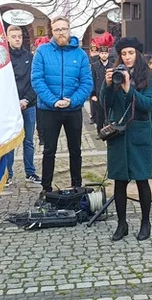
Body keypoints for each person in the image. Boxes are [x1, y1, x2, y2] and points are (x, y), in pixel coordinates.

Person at [100, 36, 152, 242]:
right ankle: (121, 223)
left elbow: (149, 104)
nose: (127, 57)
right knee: (120, 181)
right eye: (123, 54)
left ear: (138, 54)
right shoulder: (115, 74)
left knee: (142, 180)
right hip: (118, 135)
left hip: (139, 134)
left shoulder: (149, 77)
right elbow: (104, 103)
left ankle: (145, 222)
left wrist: (128, 88)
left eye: (131, 53)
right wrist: (107, 85)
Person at [31, 15, 93, 194]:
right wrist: (53, 100)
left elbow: (86, 83)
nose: (60, 33)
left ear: (69, 30)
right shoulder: (42, 52)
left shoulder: (80, 54)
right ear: (52, 31)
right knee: (49, 150)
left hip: (73, 109)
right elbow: (37, 80)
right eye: (57, 29)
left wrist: (72, 100)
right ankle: (46, 188)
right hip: (49, 110)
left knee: (76, 149)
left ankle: (76, 185)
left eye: (63, 29)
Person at [6, 24, 40, 184]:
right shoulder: (4, 59)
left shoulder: (30, 57)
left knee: (28, 141)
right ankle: (8, 174)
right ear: (7, 38)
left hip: (29, 105)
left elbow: (35, 81)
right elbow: (3, 84)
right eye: (14, 36)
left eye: (19, 36)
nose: (17, 39)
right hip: (10, 106)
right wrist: (13, 101)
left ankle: (30, 172)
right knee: (10, 140)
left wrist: (26, 99)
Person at [90, 43, 114, 131]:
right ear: (99, 54)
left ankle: (110, 130)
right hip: (98, 93)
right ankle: (99, 131)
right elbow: (92, 80)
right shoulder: (94, 66)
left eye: (105, 53)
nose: (104, 55)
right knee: (99, 115)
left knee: (109, 113)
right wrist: (93, 94)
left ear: (108, 54)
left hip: (110, 94)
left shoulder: (112, 66)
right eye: (102, 53)